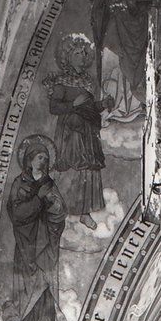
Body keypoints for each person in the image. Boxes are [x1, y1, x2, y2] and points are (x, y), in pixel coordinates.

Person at [3, 134, 68, 321]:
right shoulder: (19, 183)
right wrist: (38, 201)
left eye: (46, 158)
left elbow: (59, 210)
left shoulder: (49, 183)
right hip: (27, 243)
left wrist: (50, 202)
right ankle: (23, 320)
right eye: (40, 157)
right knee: (27, 280)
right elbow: (17, 213)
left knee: (45, 279)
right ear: (29, 159)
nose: (44, 161)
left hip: (45, 241)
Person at [88, 0, 152, 119]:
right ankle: (113, 105)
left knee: (133, 61)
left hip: (131, 20)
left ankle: (132, 106)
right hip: (113, 21)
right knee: (113, 57)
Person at [43, 32, 108, 221]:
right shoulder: (61, 82)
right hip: (71, 131)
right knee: (74, 166)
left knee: (89, 166)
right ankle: (66, 207)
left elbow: (90, 107)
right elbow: (54, 107)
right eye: (78, 54)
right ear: (67, 57)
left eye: (84, 53)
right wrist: (73, 105)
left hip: (87, 129)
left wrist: (102, 104)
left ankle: (85, 211)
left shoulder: (88, 82)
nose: (83, 57)